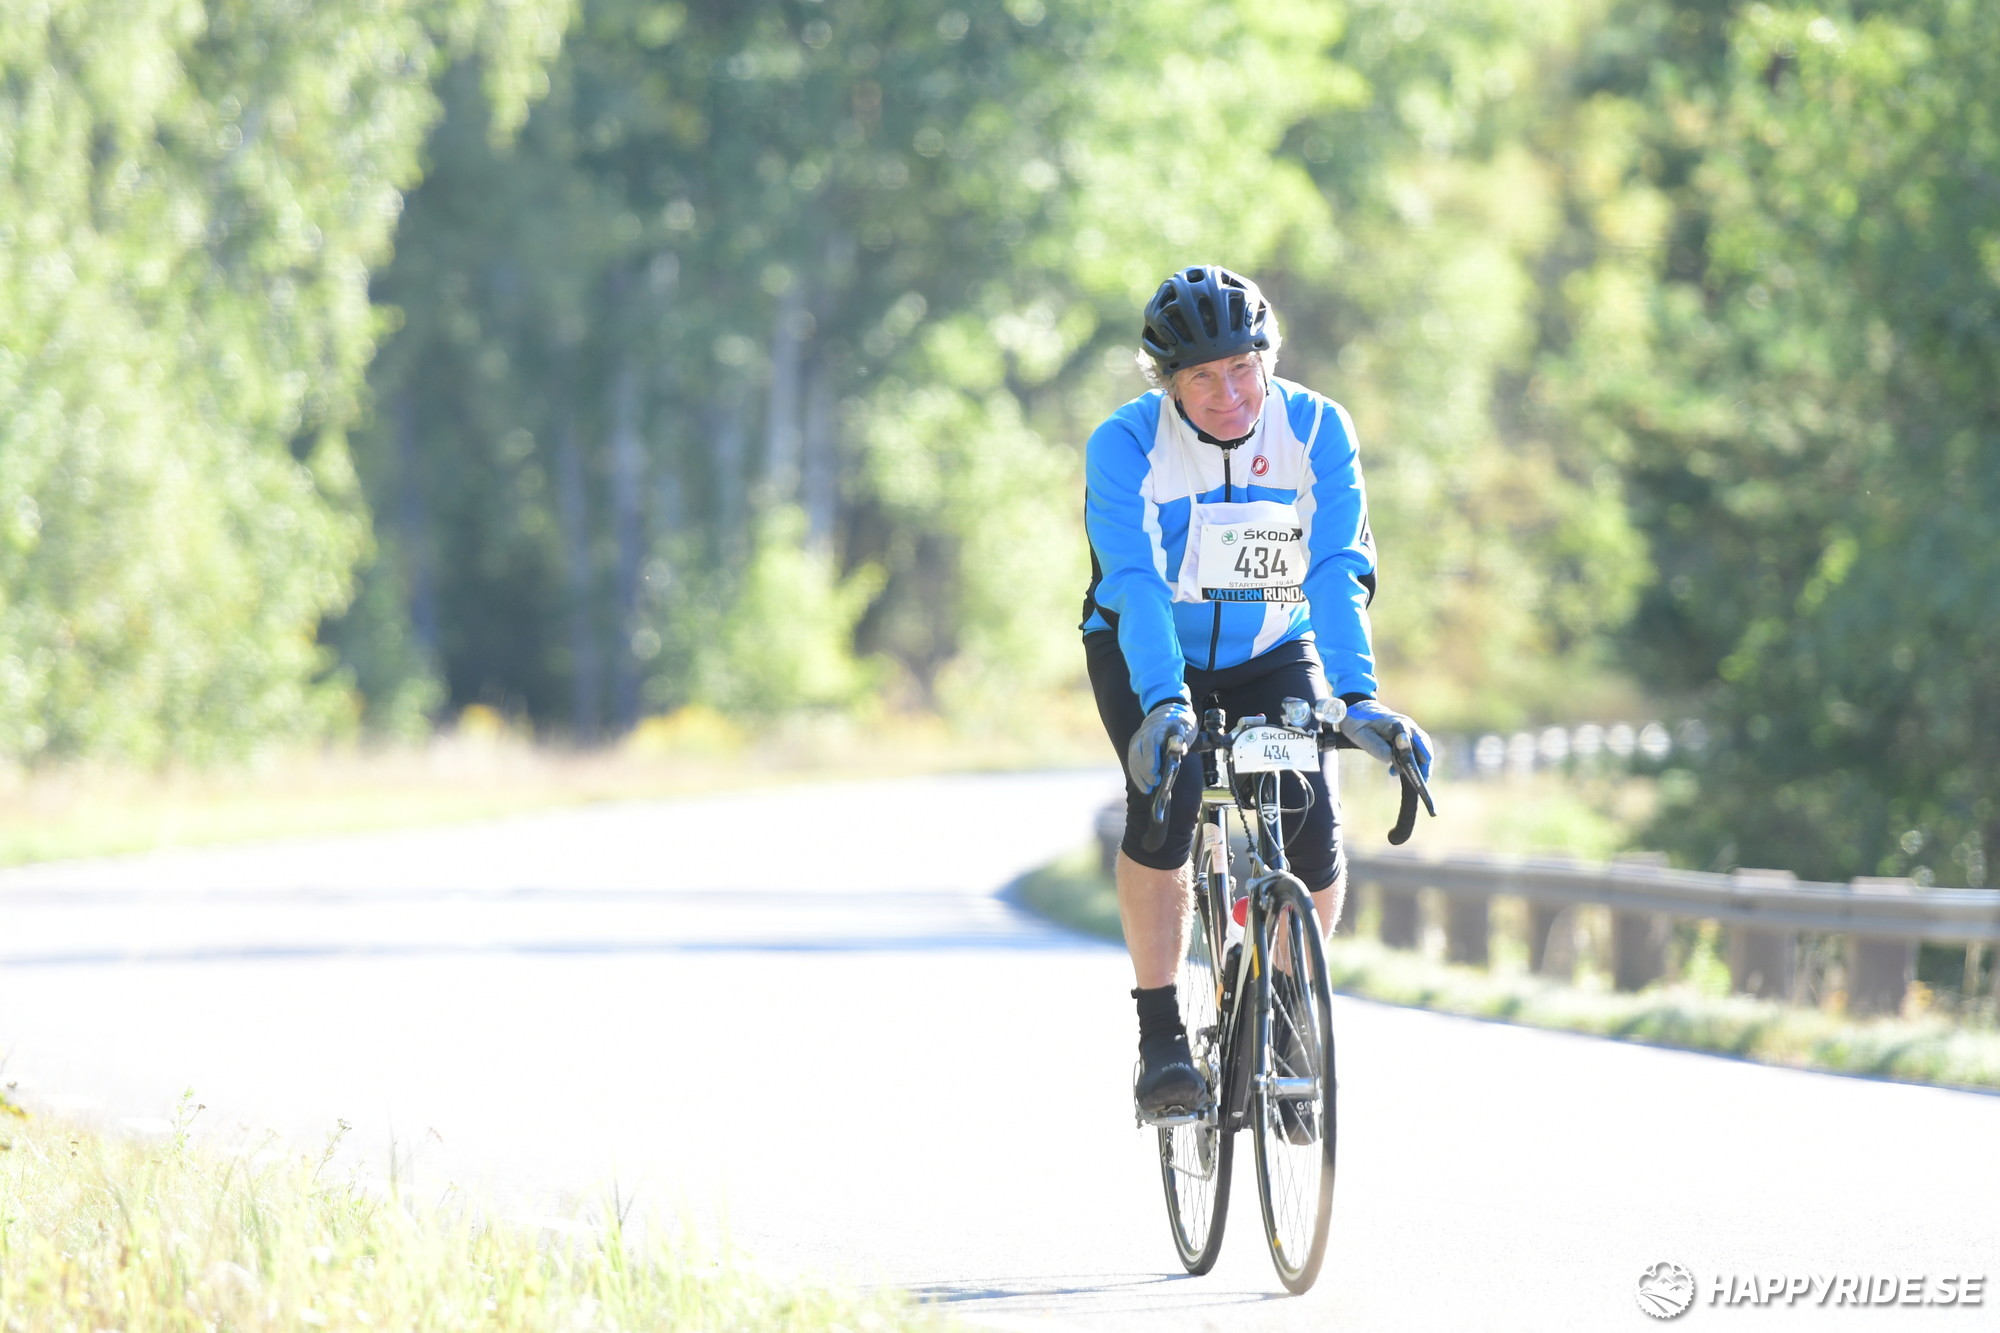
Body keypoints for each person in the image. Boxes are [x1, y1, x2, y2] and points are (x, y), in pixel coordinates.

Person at [1080, 264, 1433, 1119]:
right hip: (1146, 649)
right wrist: (1166, 703)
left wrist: (1357, 697)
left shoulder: (1317, 427)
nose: (1229, 394)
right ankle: (1162, 1036)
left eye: (1242, 367)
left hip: (1274, 645)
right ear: (1167, 382)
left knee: (1311, 825)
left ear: (1268, 357)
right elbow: (1135, 583)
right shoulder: (1125, 444)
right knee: (1167, 803)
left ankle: (1281, 1011)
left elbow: (1337, 566)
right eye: (1201, 377)